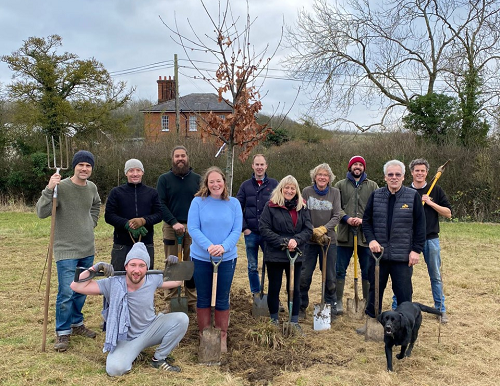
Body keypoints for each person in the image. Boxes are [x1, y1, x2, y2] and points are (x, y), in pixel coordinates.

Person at [70, 242, 189, 376]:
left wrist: (175, 265)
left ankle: (159, 358)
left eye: (141, 265)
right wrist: (94, 268)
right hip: (126, 337)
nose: (137, 270)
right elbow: (76, 286)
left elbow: (178, 281)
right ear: (126, 266)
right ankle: (132, 352)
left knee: (181, 319)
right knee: (115, 370)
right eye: (133, 265)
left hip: (151, 329)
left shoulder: (153, 279)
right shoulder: (112, 283)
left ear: (147, 267)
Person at [35, 150, 101, 352]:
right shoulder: (61, 187)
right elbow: (41, 212)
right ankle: (62, 332)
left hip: (86, 247)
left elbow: (96, 205)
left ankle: (76, 323)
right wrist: (49, 188)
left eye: (88, 165)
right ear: (74, 166)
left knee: (81, 291)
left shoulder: (91, 188)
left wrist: (91, 222)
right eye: (80, 164)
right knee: (66, 292)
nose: (84, 168)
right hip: (65, 249)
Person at [357, 159, 426, 336]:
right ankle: (372, 324)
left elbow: (420, 226)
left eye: (397, 174)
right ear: (385, 177)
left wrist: (416, 250)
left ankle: (403, 328)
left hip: (402, 257)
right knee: (375, 290)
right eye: (390, 175)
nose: (394, 177)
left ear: (403, 177)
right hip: (378, 255)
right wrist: (371, 240)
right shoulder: (376, 195)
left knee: (404, 294)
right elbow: (367, 221)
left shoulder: (412, 197)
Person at [187, 166, 242, 353]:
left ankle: (222, 335)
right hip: (202, 257)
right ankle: (204, 333)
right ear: (207, 184)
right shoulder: (197, 202)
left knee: (222, 296)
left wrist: (223, 247)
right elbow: (193, 228)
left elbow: (236, 230)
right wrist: (209, 246)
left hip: (227, 259)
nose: (216, 184)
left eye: (219, 181)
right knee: (202, 296)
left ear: (224, 183)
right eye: (212, 181)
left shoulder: (234, 203)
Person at [391, 159, 452, 322]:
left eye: (422, 171)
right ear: (411, 172)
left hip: (430, 239)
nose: (419, 173)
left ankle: (440, 310)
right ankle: (398, 308)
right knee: (402, 276)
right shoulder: (403, 192)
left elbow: (448, 213)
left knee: (436, 276)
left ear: (427, 173)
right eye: (416, 170)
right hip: (408, 241)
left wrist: (430, 202)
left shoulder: (436, 190)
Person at [259, 175, 313, 332]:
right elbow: (264, 228)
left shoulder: (302, 207)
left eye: (293, 188)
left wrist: (296, 240)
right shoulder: (271, 206)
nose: (289, 190)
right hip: (275, 254)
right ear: (281, 189)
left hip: (295, 255)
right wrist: (284, 242)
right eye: (287, 187)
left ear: (296, 190)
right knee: (274, 287)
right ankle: (274, 319)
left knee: (295, 288)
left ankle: (294, 321)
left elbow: (308, 229)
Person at [157, 145, 201, 312]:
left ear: (187, 157)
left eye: (183, 155)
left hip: (193, 228)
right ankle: (172, 300)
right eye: (177, 156)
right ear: (172, 159)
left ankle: (192, 300)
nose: (180, 159)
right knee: (172, 263)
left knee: (191, 263)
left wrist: (193, 224)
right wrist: (174, 222)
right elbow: (160, 204)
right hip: (171, 226)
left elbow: (201, 203)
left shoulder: (197, 179)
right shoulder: (164, 179)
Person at [334, 156, 379, 314]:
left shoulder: (373, 185)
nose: (357, 167)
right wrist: (346, 218)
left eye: (360, 165)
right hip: (345, 235)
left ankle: (367, 302)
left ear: (364, 167)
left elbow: (377, 207)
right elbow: (335, 207)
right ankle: (338, 300)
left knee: (367, 270)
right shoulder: (339, 185)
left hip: (366, 237)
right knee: (339, 269)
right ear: (350, 167)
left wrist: (364, 220)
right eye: (355, 165)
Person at [299, 163, 341, 319]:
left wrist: (323, 229)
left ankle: (330, 307)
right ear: (314, 177)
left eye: (325, 175)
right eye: (319, 175)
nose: (322, 177)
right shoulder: (306, 192)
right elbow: (303, 212)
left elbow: (337, 215)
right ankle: (301, 306)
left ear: (329, 178)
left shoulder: (335, 193)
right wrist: (311, 230)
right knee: (304, 276)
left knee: (330, 277)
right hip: (309, 241)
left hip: (329, 241)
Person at [105, 159, 162, 271]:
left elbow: (159, 214)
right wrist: (127, 224)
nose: (135, 174)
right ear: (126, 173)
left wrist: (143, 221)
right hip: (122, 244)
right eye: (131, 171)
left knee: (145, 278)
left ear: (142, 172)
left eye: (138, 170)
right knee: (119, 277)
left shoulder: (152, 193)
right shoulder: (116, 192)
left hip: (146, 243)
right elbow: (109, 216)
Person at [235, 154, 278, 296]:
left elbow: (280, 207)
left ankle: (272, 296)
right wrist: (244, 228)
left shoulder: (274, 184)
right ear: (252, 166)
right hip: (251, 233)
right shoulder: (245, 186)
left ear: (266, 166)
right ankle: (256, 293)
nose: (259, 167)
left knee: (272, 265)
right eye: (257, 165)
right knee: (252, 266)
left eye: (262, 165)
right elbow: (237, 208)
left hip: (268, 234)